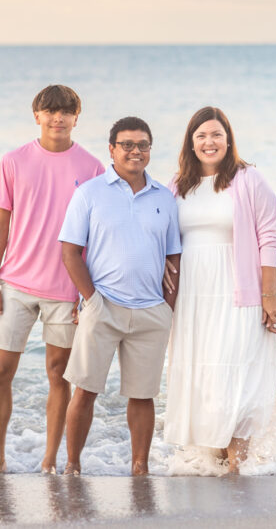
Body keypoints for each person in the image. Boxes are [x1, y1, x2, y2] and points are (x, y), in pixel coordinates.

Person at [0, 84, 104, 474]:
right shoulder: (14, 161)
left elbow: (96, 236)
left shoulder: (91, 168)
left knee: (58, 374)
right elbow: (1, 224)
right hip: (15, 284)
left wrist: (84, 294)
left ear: (76, 118)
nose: (58, 118)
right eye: (50, 111)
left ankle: (51, 459)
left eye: (66, 112)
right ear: (36, 116)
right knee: (1, 371)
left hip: (65, 290)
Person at [58, 116, 182, 476]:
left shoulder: (164, 198)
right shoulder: (90, 194)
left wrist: (167, 308)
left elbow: (173, 255)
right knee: (85, 390)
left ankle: (140, 468)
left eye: (143, 145)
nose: (135, 151)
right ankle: (72, 466)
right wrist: (92, 301)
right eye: (126, 144)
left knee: (143, 396)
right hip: (103, 308)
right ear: (111, 149)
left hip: (151, 313)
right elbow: (70, 252)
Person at [163, 106, 276, 474]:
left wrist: (269, 292)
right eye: (201, 136)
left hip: (237, 290)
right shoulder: (178, 184)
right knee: (203, 372)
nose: (209, 142)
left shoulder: (248, 179)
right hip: (192, 296)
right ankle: (208, 457)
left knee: (235, 371)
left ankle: (237, 462)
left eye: (216, 134)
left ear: (228, 139)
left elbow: (271, 235)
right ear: (191, 143)